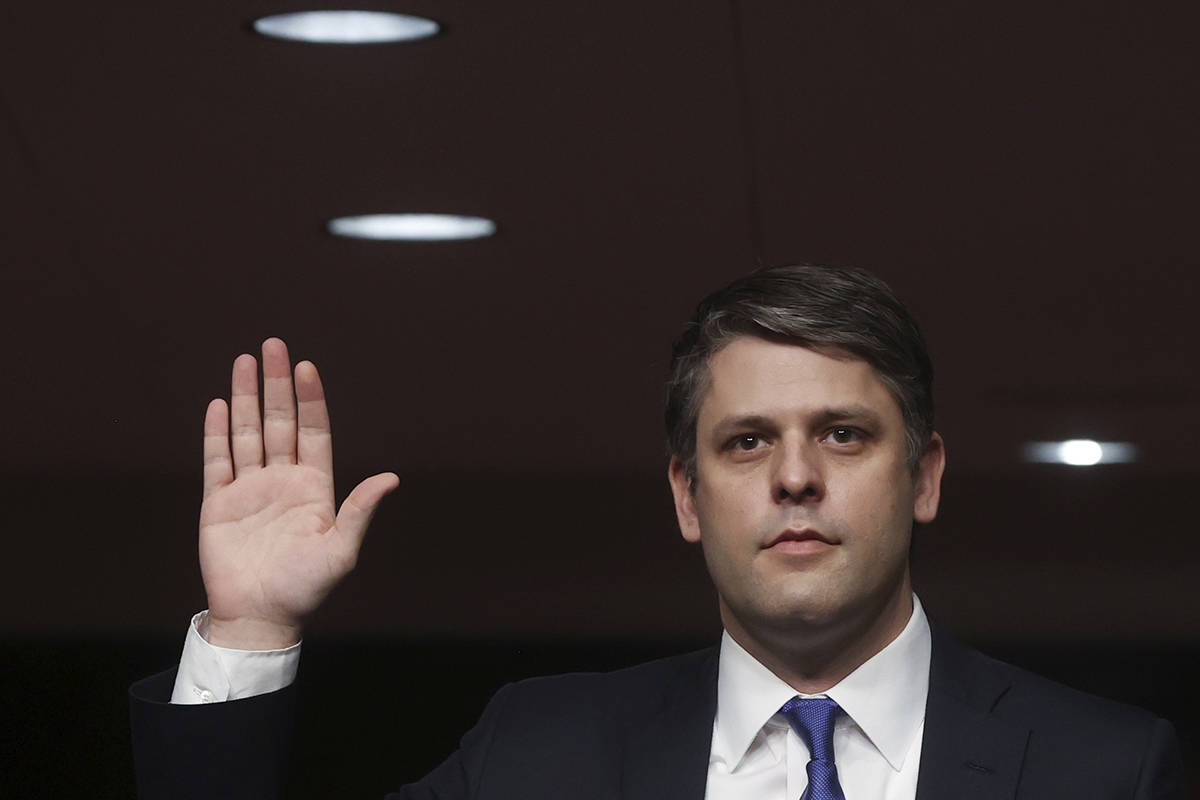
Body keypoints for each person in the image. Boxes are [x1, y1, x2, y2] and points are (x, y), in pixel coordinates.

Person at [130, 264, 1188, 799]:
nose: (795, 476)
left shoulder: (1101, 766)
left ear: (925, 475)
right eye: (744, 442)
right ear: (686, 495)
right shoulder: (539, 754)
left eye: (846, 433)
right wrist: (251, 627)